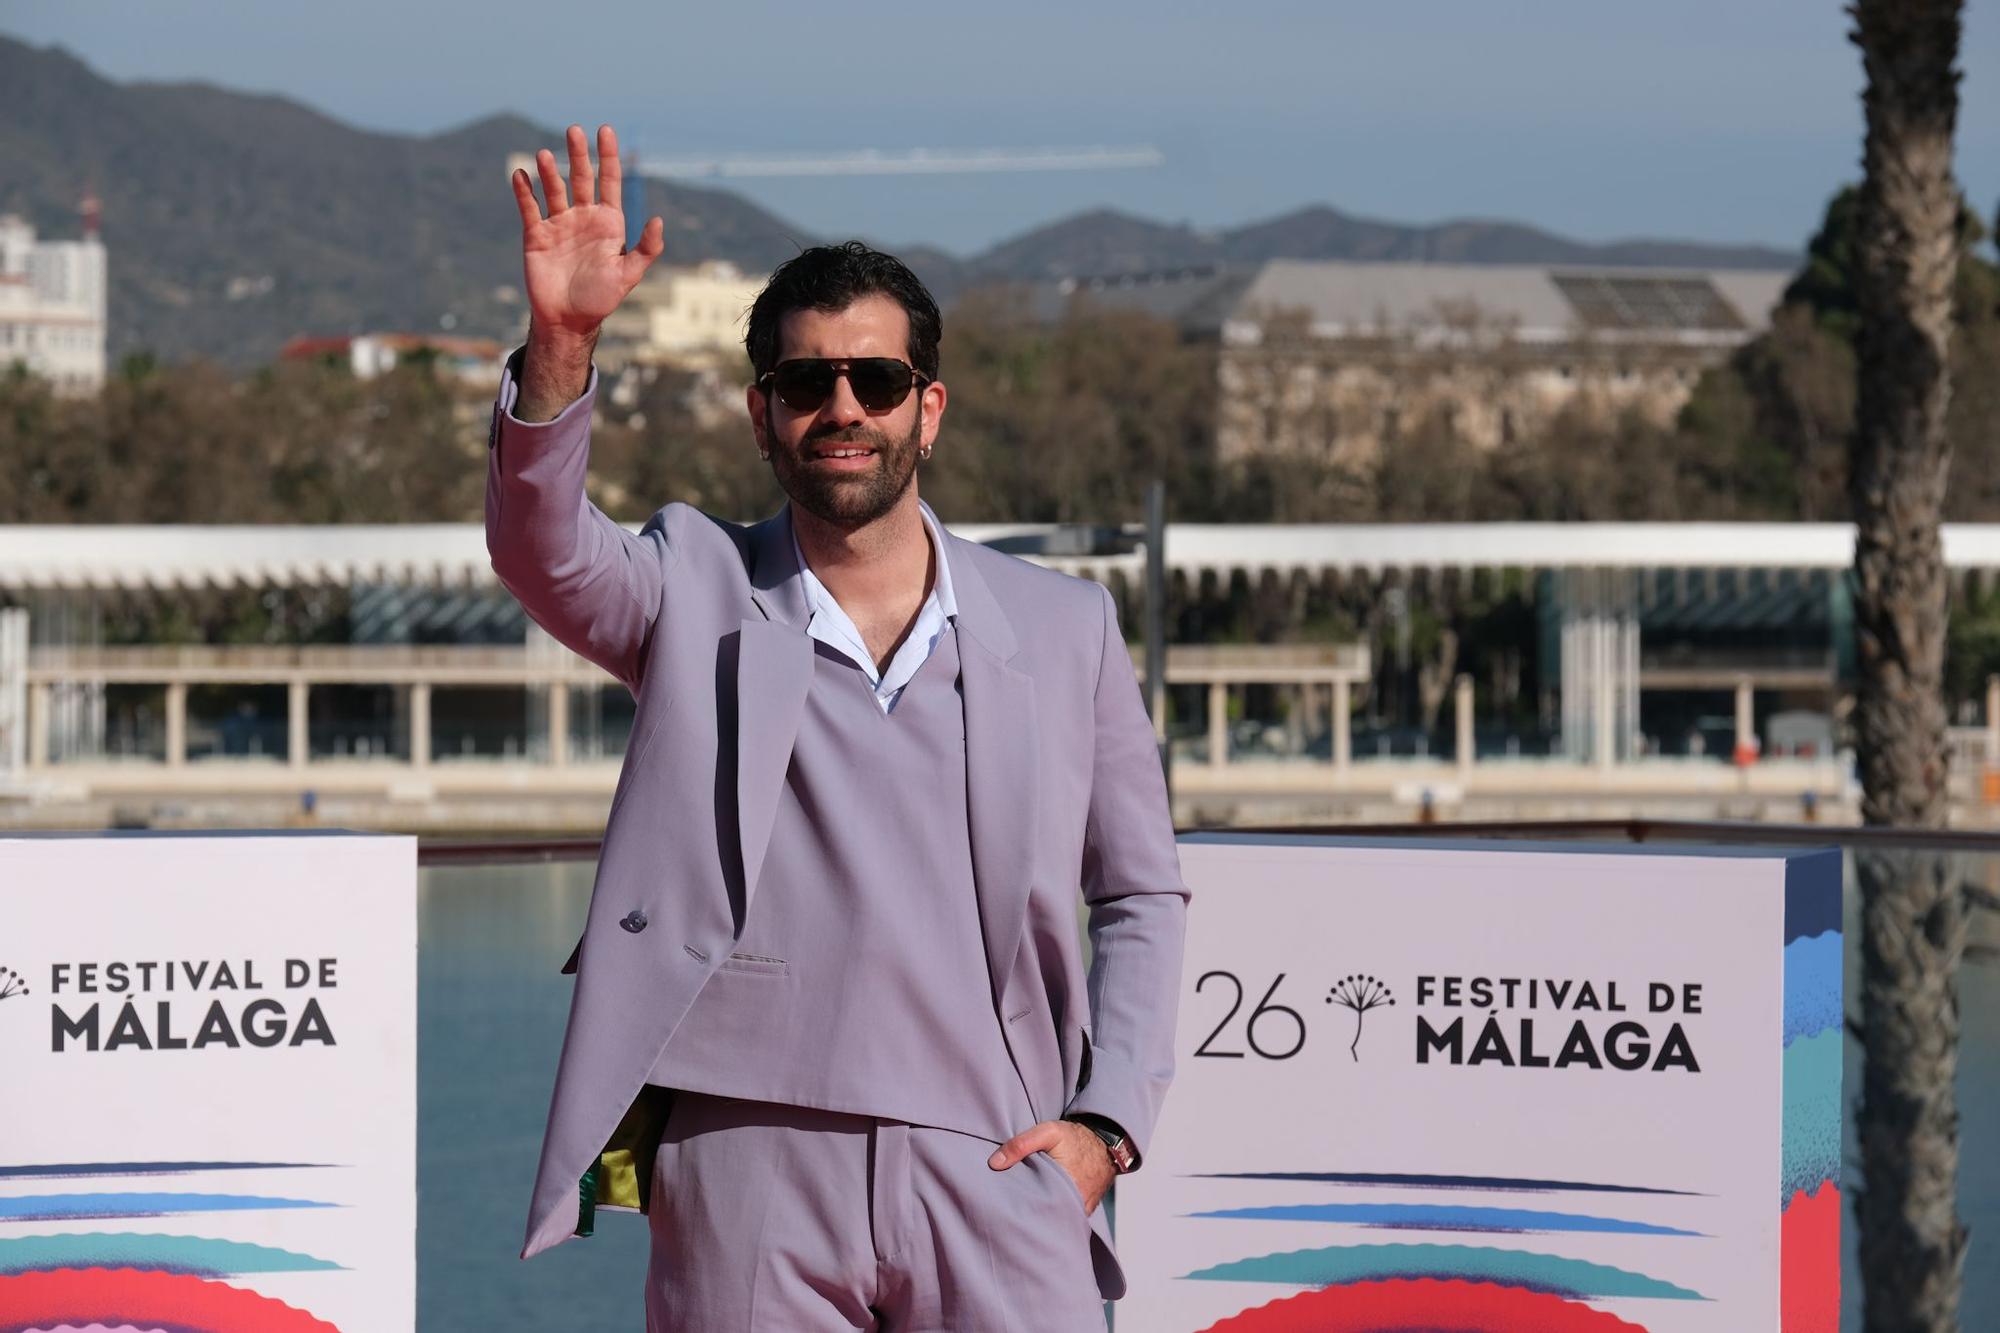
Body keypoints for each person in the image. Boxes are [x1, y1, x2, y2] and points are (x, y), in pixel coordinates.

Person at [489, 123, 1188, 1332]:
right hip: (743, 1166)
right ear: (763, 416)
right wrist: (561, 346)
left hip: (999, 1163)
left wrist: (1106, 1124)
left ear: (930, 407)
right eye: (806, 383)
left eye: (874, 379)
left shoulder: (1063, 627)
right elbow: (541, 551)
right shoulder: (687, 585)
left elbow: (1140, 894)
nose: (842, 407)